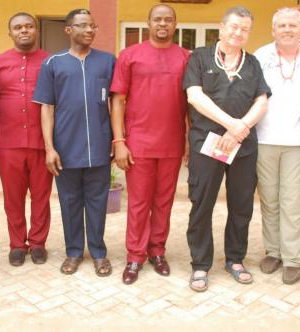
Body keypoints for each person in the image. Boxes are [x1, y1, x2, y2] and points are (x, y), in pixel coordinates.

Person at [184, 6, 270, 291]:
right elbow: (195, 96)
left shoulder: (253, 62)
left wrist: (240, 128)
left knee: (241, 205)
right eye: (233, 27)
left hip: (242, 147)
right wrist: (232, 124)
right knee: (202, 203)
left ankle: (235, 259)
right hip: (207, 144)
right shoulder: (199, 57)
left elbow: (262, 100)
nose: (238, 33)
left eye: (244, 29)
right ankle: (200, 264)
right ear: (221, 27)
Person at [110, 4, 190, 285]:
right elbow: (117, 100)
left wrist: (189, 141)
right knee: (139, 202)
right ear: (148, 23)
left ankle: (157, 250)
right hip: (139, 142)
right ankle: (135, 255)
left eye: (169, 20)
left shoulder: (185, 58)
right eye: (158, 19)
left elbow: (191, 103)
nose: (163, 24)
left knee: (164, 202)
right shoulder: (130, 56)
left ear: (175, 25)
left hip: (172, 142)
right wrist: (119, 141)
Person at [33, 9, 115, 277]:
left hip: (100, 147)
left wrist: (117, 138)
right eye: (83, 26)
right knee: (69, 201)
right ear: (68, 30)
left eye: (93, 26)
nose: (89, 30)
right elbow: (46, 107)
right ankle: (74, 252)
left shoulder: (107, 61)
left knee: (98, 201)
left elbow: (116, 103)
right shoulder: (53, 63)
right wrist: (49, 147)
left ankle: (99, 253)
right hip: (65, 147)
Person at [254, 7, 300, 284]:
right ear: (273, 30)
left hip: (298, 142)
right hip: (263, 139)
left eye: (293, 25)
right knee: (269, 201)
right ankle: (274, 251)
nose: (287, 30)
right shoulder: (260, 55)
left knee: (293, 202)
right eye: (281, 25)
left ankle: (293, 258)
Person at [0, 12, 52, 266]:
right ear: (10, 32)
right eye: (18, 27)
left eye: (29, 26)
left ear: (36, 30)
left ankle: (37, 243)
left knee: (41, 196)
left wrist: (53, 145)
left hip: (40, 143)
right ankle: (17, 243)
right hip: (9, 143)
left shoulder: (50, 61)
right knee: (12, 198)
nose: (24, 30)